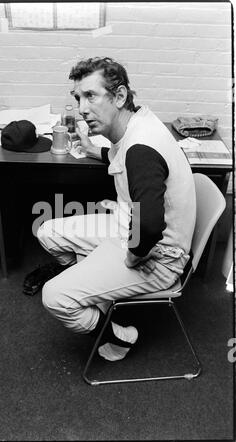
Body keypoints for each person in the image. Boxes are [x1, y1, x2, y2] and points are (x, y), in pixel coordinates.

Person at [27, 57, 196, 362]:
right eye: (77, 98)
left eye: (91, 96)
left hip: (157, 258)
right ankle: (96, 289)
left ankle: (119, 334)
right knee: (48, 231)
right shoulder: (136, 123)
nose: (81, 107)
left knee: (54, 298)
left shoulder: (142, 148)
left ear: (119, 97)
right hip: (126, 226)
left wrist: (135, 255)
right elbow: (126, 158)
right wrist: (96, 151)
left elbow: (148, 227)